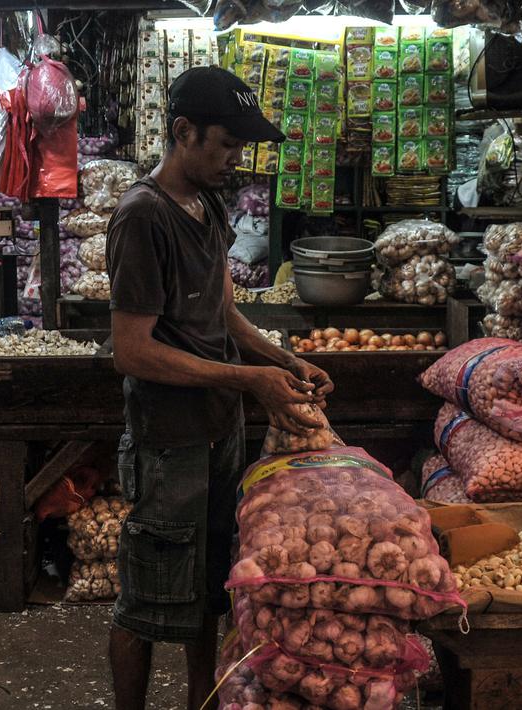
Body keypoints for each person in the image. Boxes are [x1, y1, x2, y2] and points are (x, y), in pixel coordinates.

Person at [106, 66, 335, 710]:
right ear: (183, 132)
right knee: (147, 601)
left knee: (208, 588)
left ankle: (199, 703)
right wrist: (250, 378)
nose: (235, 159)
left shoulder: (207, 201)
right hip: (168, 442)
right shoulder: (141, 217)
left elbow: (224, 312)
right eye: (226, 144)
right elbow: (133, 349)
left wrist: (281, 362)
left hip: (218, 431)